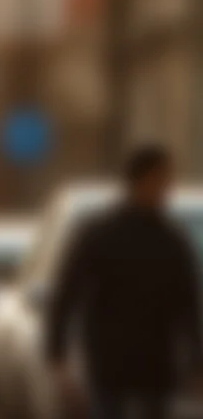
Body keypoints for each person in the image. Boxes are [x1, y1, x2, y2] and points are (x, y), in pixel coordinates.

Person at [47, 146, 203, 419]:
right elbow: (69, 292)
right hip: (111, 360)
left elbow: (188, 304)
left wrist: (195, 361)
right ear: (141, 180)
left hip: (154, 361)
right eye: (161, 179)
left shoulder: (170, 241)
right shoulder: (103, 235)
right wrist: (57, 351)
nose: (165, 188)